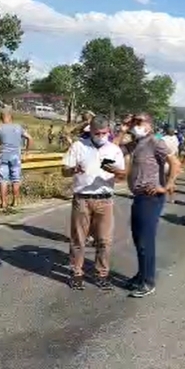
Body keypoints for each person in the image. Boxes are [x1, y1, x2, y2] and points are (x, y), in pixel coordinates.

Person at [114, 113, 181, 298]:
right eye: (134, 122)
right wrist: (123, 129)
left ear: (149, 125)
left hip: (150, 198)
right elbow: (112, 149)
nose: (136, 125)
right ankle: (141, 275)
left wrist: (166, 185)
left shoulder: (154, 142)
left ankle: (148, 281)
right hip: (138, 197)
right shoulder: (135, 144)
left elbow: (175, 162)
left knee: (145, 241)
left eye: (139, 122)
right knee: (138, 240)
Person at [62, 115, 126, 291]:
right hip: (82, 199)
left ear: (109, 132)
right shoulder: (78, 146)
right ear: (90, 131)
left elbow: (123, 175)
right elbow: (64, 171)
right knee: (78, 240)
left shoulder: (114, 150)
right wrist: (74, 169)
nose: (100, 136)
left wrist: (116, 171)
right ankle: (76, 273)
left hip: (104, 200)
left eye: (104, 133)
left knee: (104, 240)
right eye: (97, 133)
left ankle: (101, 274)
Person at [0, 109, 32, 209]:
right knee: (16, 179)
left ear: (1, 117)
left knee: (3, 180)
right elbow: (29, 138)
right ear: (11, 117)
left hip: (3, 156)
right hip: (16, 156)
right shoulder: (18, 127)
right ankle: (15, 201)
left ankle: (3, 203)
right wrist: (27, 151)